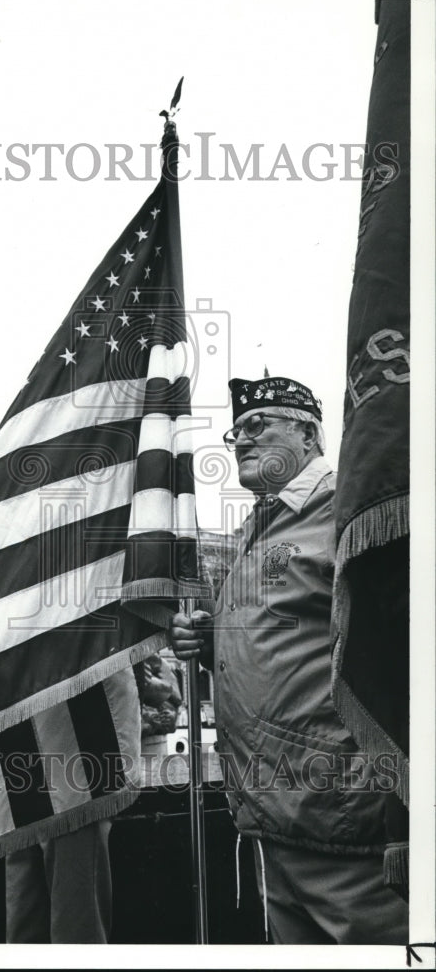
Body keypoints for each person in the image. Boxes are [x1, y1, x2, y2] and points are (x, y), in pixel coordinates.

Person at [170, 375, 408, 944]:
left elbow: (396, 642)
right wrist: (213, 646)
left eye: (259, 426)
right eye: (236, 433)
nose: (242, 442)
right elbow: (293, 643)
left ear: (307, 433)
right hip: (278, 817)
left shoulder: (352, 506)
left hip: (348, 823)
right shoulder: (261, 522)